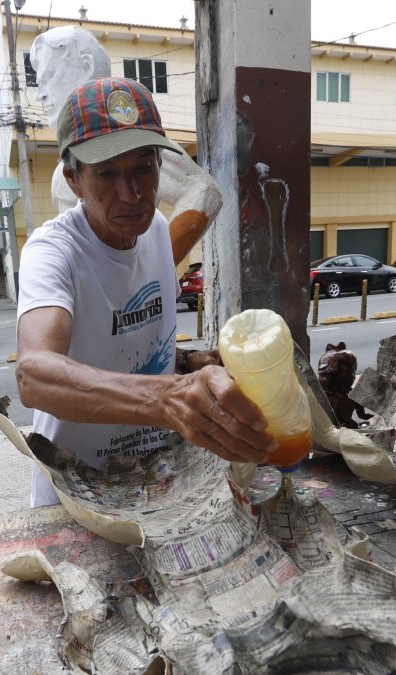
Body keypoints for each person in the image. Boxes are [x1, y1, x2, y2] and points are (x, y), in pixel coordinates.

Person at [14, 77, 275, 508]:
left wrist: (188, 363)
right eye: (106, 175)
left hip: (151, 480)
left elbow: (121, 344)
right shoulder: (52, 251)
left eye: (142, 168)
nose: (131, 194)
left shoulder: (154, 230)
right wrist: (168, 398)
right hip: (80, 492)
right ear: (74, 180)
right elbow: (35, 375)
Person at [30, 26, 222, 264]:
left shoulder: (138, 142)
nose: (42, 94)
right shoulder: (47, 249)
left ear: (87, 67)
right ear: (74, 179)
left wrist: (157, 268)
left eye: (49, 76)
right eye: (105, 173)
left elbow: (203, 191)